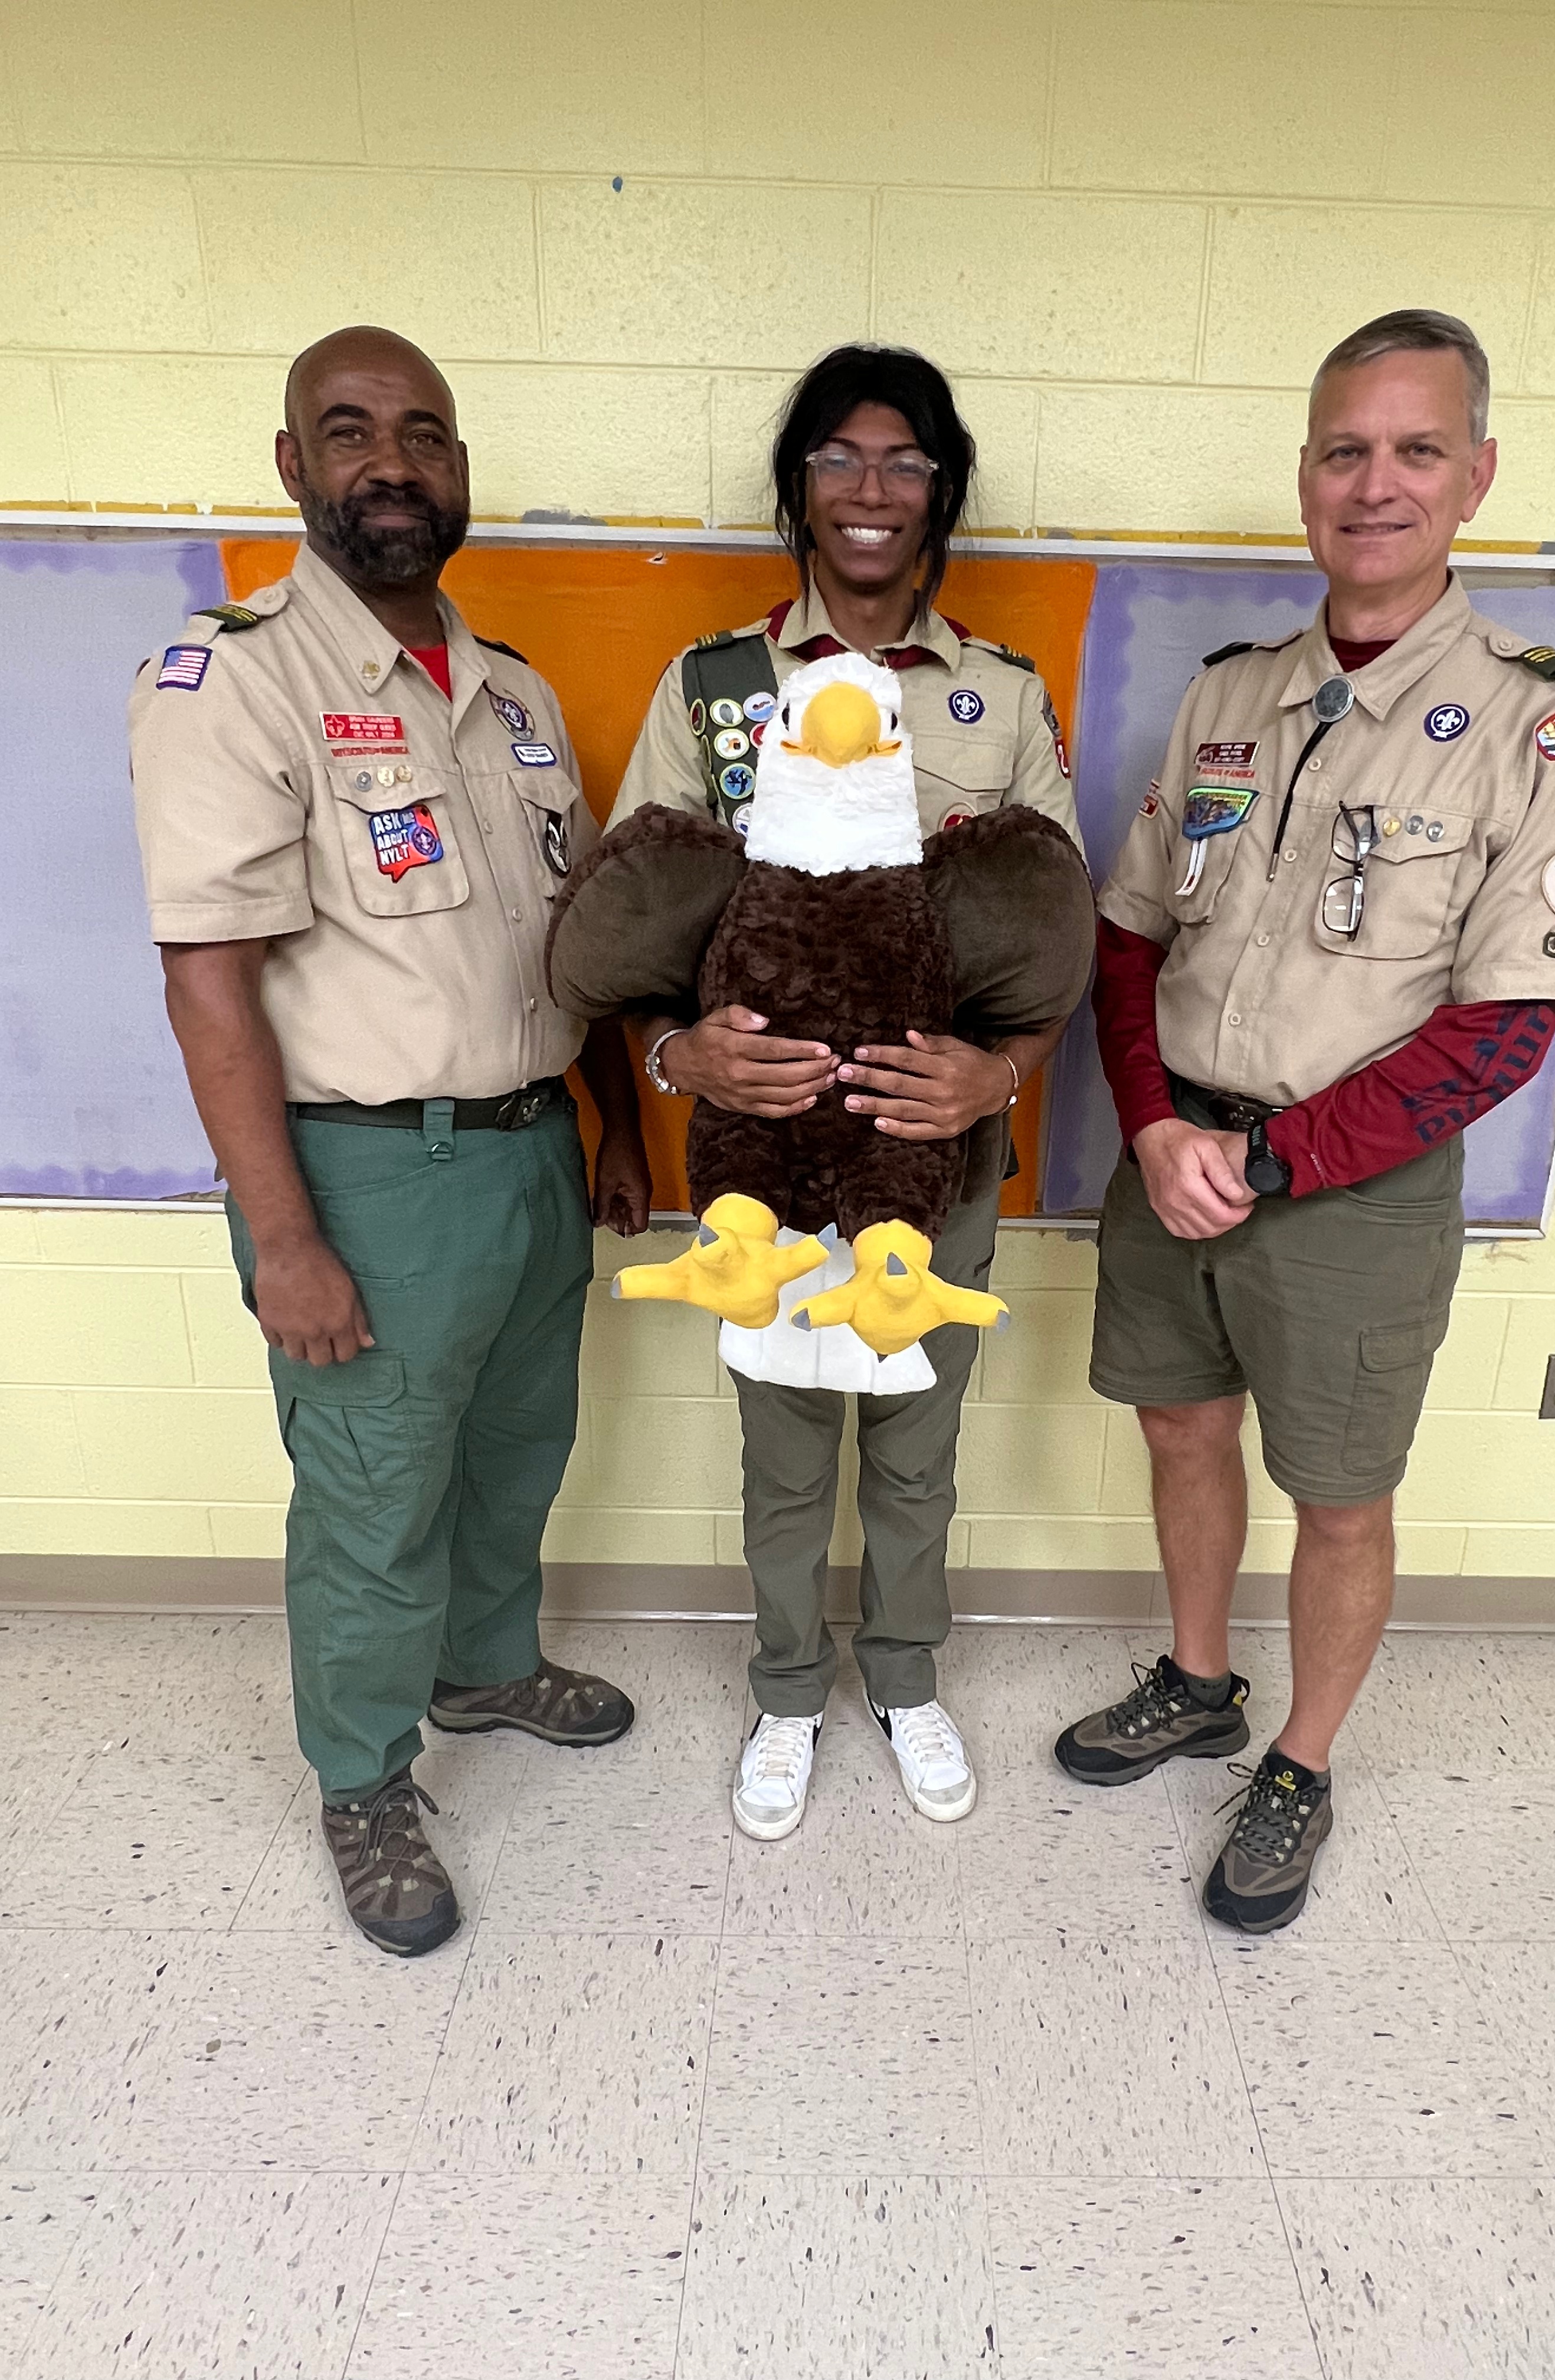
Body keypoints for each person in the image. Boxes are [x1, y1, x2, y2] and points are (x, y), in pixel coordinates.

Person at [1055, 310, 1555, 1932]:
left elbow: (1508, 1024)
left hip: (1348, 1198)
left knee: (1341, 1495)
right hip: (1175, 1157)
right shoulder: (1232, 697)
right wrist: (1156, 1129)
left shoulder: (1543, 724)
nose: (1376, 484)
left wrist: (1271, 1159)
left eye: (1416, 450)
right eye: (1344, 451)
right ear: (1305, 475)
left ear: (1476, 476)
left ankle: (1300, 1762)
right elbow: (1130, 935)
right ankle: (1197, 1682)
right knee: (1181, 1431)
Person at [128, 326, 652, 1957]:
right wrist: (287, 1239)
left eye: (424, 434)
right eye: (350, 432)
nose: (392, 463)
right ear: (295, 465)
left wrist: (615, 1126)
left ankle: (484, 1669)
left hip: (530, 1152)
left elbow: (583, 941)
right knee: (372, 1498)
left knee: (513, 1452)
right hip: (364, 1176)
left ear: (460, 469)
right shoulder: (236, 681)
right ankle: (363, 1778)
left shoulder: (515, 696)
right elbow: (207, 983)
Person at [611, 343, 1083, 1840]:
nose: (870, 487)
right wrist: (676, 1057)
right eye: (838, 456)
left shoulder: (999, 698)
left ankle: (906, 1675)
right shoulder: (714, 689)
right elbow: (632, 917)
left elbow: (1053, 938)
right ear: (799, 485)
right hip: (764, 1172)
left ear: (940, 492)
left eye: (905, 460)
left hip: (932, 1165)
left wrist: (998, 1076)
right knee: (784, 1460)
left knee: (918, 1455)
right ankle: (787, 1690)